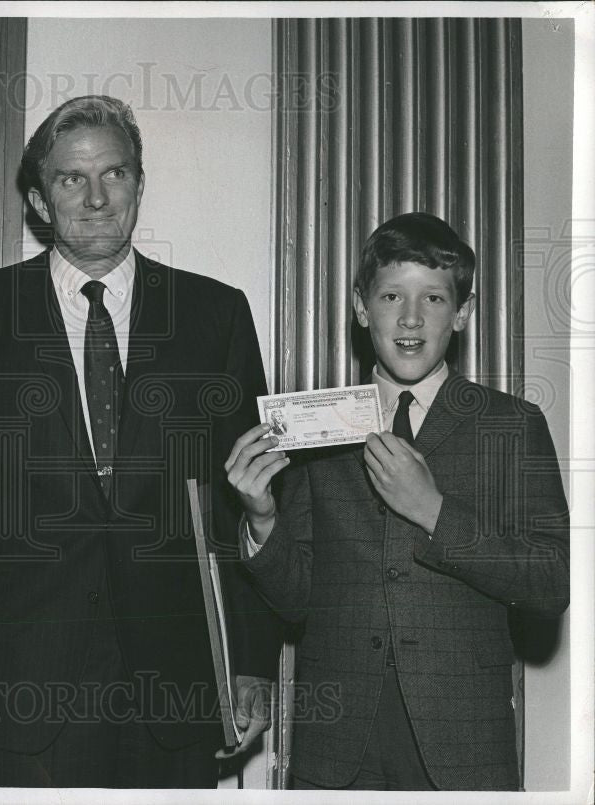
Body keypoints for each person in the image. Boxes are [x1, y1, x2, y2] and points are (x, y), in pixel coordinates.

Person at [0, 95, 283, 788]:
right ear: (38, 200)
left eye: (114, 173)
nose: (97, 197)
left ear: (138, 184)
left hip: (177, 682)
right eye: (71, 178)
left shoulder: (215, 314)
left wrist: (250, 659)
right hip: (25, 679)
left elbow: (248, 496)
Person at [226, 212, 570, 791]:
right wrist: (262, 522)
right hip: (336, 743)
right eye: (391, 296)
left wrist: (432, 510)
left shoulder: (511, 424)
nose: (411, 317)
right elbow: (297, 601)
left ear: (462, 313)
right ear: (362, 308)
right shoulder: (315, 427)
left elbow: (552, 583)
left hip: (463, 741)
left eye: (433, 298)